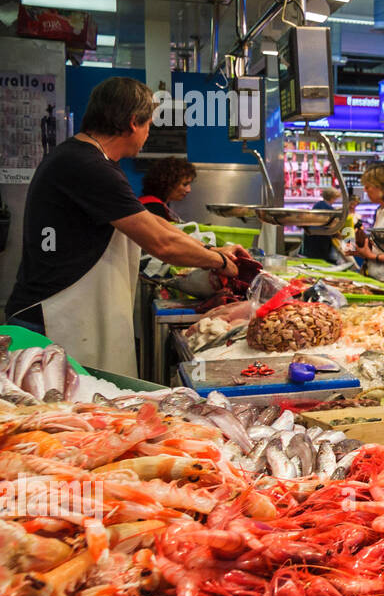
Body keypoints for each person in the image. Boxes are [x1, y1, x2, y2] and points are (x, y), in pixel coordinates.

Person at [5, 77, 250, 376]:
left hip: (60, 313)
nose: (149, 133)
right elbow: (162, 243)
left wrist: (210, 248)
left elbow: (150, 221)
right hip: (49, 319)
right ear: (134, 122)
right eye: (149, 124)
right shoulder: (88, 165)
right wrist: (221, 262)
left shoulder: (88, 158)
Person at [138, 156, 197, 222]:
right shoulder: (154, 209)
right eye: (184, 184)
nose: (189, 190)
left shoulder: (144, 204)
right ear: (168, 182)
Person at [300, 185, 340, 262]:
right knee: (321, 261)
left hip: (311, 237)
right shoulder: (330, 209)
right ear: (332, 197)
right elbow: (333, 226)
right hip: (322, 238)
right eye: (335, 198)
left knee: (312, 261)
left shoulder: (317, 204)